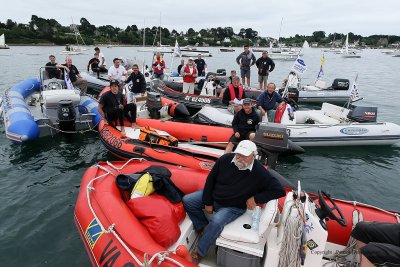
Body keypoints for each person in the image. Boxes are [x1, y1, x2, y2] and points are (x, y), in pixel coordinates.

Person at [183, 140, 286, 263]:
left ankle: (199, 252)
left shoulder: (260, 172)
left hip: (233, 206)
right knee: (187, 200)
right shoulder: (225, 159)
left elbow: (279, 190)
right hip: (215, 196)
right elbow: (210, 181)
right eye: (238, 154)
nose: (240, 158)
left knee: (216, 222)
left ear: (254, 155)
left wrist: (256, 199)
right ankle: (202, 226)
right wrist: (208, 202)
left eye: (244, 156)